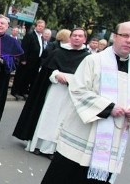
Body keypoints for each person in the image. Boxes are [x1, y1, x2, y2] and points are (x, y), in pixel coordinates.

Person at [30, 21, 130, 184]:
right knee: (69, 175)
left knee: (93, 183)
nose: (129, 41)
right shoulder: (94, 61)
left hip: (111, 136)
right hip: (84, 131)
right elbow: (78, 90)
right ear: (115, 36)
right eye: (125, 35)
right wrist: (108, 108)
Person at [13, 28, 90, 158]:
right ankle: (37, 145)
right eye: (74, 35)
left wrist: (71, 79)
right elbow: (47, 70)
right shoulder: (58, 52)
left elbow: (87, 78)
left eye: (80, 36)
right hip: (54, 91)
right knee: (47, 116)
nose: (77, 38)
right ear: (70, 37)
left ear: (84, 39)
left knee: (62, 120)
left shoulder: (88, 58)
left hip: (71, 94)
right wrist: (55, 74)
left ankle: (53, 150)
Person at [11, 19, 46, 101]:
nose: (40, 28)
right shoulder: (30, 35)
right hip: (26, 61)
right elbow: (24, 47)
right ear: (36, 26)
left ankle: (23, 92)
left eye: (42, 27)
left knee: (28, 78)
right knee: (21, 76)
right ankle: (16, 92)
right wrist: (23, 59)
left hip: (35, 62)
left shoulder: (41, 37)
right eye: (39, 26)